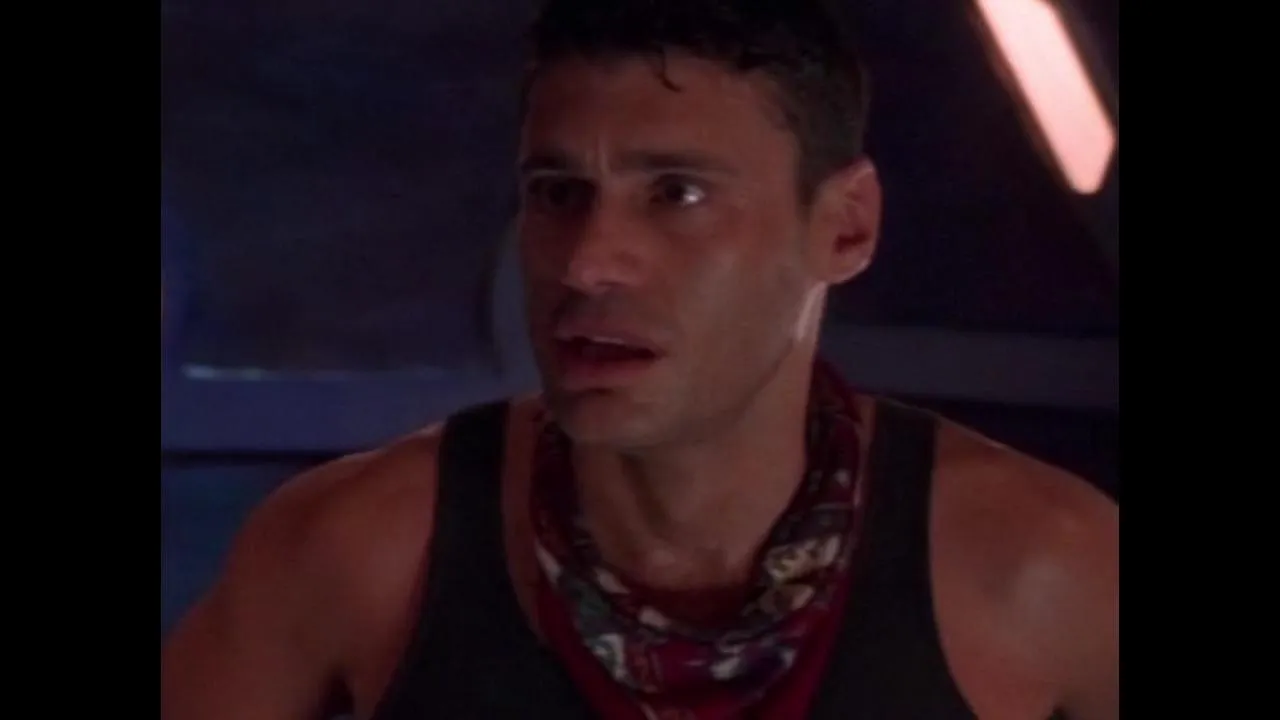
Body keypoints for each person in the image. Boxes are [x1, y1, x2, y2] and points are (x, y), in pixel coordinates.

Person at [160, 1, 1119, 718]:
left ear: (844, 228)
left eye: (677, 194)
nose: (588, 263)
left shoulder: (1043, 568)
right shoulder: (355, 552)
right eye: (558, 192)